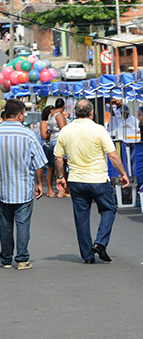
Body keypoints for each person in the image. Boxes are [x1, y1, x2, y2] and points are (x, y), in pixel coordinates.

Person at [54, 99, 129, 264]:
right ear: (91, 112)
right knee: (108, 209)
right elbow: (113, 155)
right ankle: (100, 242)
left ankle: (87, 256)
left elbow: (58, 158)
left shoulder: (66, 131)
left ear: (74, 112)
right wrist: (123, 173)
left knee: (81, 217)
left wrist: (60, 177)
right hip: (98, 178)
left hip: (76, 179)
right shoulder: (98, 129)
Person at [0, 99, 47, 270]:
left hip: (2, 189)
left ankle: (5, 259)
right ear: (20, 115)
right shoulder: (28, 135)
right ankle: (21, 259)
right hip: (23, 188)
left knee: (4, 225)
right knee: (22, 224)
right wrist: (39, 183)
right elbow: (39, 163)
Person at [48, 98, 69, 197]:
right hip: (59, 141)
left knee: (57, 166)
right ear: (63, 106)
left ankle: (62, 190)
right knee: (63, 165)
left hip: (52, 140)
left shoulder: (51, 115)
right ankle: (63, 190)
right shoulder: (59, 115)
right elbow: (64, 129)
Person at [36, 105, 56, 197]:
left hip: (53, 145)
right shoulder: (44, 122)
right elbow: (44, 135)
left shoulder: (54, 120)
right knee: (51, 167)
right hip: (48, 146)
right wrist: (53, 133)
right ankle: (50, 189)